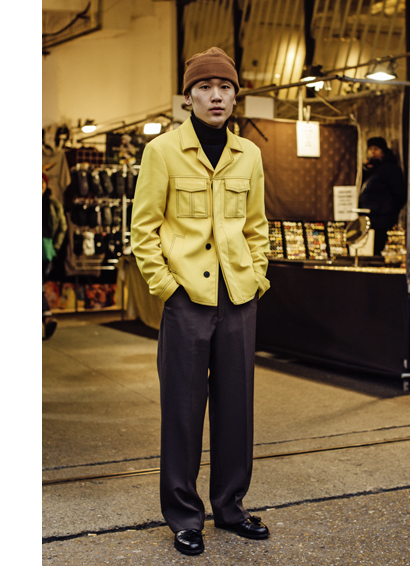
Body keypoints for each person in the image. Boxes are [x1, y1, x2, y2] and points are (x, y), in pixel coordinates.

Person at [130, 47, 272, 556]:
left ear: (235, 96)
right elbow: (143, 231)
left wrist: (257, 276)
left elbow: (257, 226)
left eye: (225, 87)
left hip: (237, 297)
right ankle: (184, 516)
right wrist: (167, 288)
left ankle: (230, 508)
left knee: (236, 409)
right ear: (187, 97)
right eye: (205, 87)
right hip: (186, 299)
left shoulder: (249, 154)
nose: (216, 96)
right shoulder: (163, 151)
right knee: (183, 412)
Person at [358, 136, 407, 256]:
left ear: (383, 151)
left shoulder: (390, 169)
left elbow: (400, 193)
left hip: (383, 219)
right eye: (370, 149)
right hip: (370, 218)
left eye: (376, 149)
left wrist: (388, 209)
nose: (372, 152)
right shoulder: (371, 169)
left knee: (378, 249)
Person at [43, 172, 67, 340]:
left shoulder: (53, 204)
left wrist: (55, 247)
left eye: (41, 183)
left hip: (45, 248)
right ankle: (46, 316)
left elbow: (62, 227)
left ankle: (46, 317)